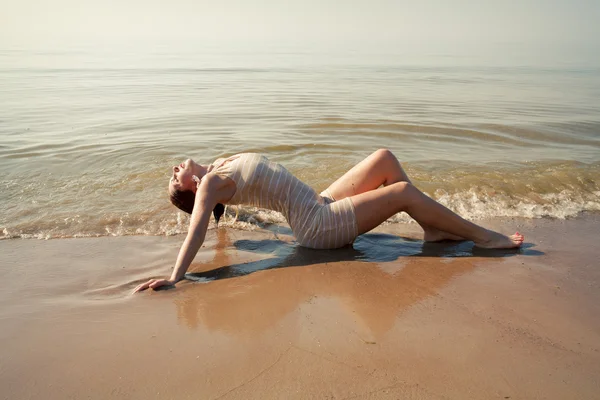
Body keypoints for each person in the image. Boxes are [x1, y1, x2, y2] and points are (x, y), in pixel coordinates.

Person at [133, 149, 523, 293]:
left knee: (383, 158)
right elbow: (196, 231)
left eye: (171, 173)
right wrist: (175, 277)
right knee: (401, 194)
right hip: (318, 227)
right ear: (192, 189)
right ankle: (485, 238)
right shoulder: (209, 187)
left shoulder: (218, 167)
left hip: (317, 204)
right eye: (174, 179)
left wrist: (245, 233)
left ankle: (433, 227)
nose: (174, 168)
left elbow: (239, 211)